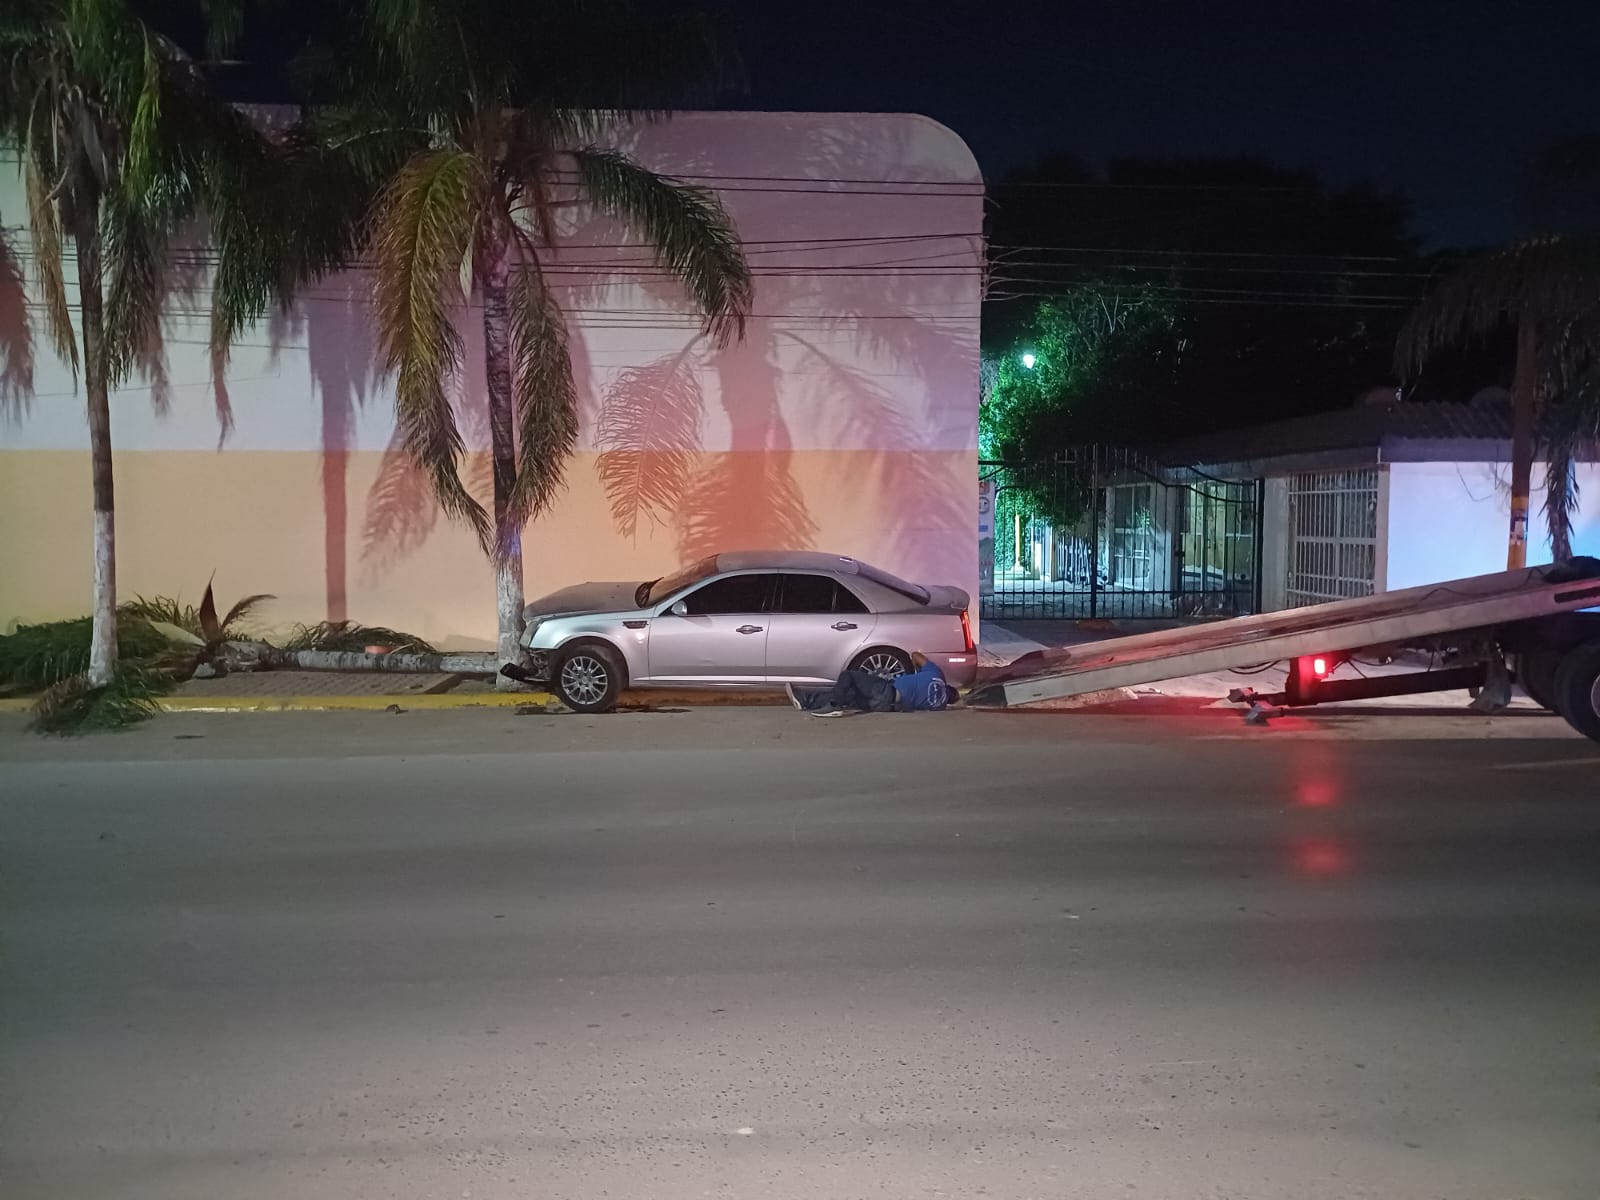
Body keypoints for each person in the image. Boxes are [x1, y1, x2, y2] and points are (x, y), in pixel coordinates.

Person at [787, 653, 954, 716]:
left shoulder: (936, 675)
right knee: (850, 695)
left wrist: (916, 671)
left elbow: (916, 655)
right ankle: (805, 700)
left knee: (848, 676)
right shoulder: (938, 706)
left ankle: (834, 705)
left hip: (887, 690)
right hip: (886, 706)